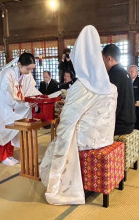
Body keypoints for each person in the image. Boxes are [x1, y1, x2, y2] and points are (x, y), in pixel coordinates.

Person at [40, 25, 117, 205]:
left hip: (86, 140)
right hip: (106, 137)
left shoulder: (81, 86)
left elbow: (66, 121)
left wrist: (60, 135)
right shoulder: (108, 84)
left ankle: (60, 186)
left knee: (56, 142)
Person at [0, 52, 40, 166]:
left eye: (31, 69)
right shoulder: (8, 74)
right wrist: (24, 105)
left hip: (12, 101)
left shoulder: (27, 75)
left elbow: (31, 89)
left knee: (12, 125)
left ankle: (8, 153)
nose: (29, 72)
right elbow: (6, 95)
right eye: (27, 69)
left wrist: (39, 99)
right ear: (19, 65)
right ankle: (1, 156)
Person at [102, 44, 135, 135]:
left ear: (109, 58)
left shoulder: (114, 74)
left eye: (103, 59)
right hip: (129, 122)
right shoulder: (124, 72)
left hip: (120, 125)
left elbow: (111, 103)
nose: (103, 63)